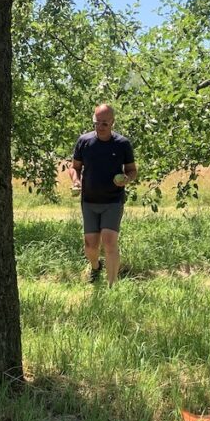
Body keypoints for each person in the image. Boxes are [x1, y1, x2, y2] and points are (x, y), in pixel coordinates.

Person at [67, 104, 137, 286]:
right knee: (91, 246)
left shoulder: (122, 144)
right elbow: (75, 167)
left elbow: (132, 170)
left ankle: (112, 286)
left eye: (104, 123)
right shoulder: (84, 141)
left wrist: (126, 179)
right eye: (96, 122)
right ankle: (96, 267)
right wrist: (76, 181)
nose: (100, 127)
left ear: (112, 122)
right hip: (89, 200)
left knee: (109, 241)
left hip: (113, 200)